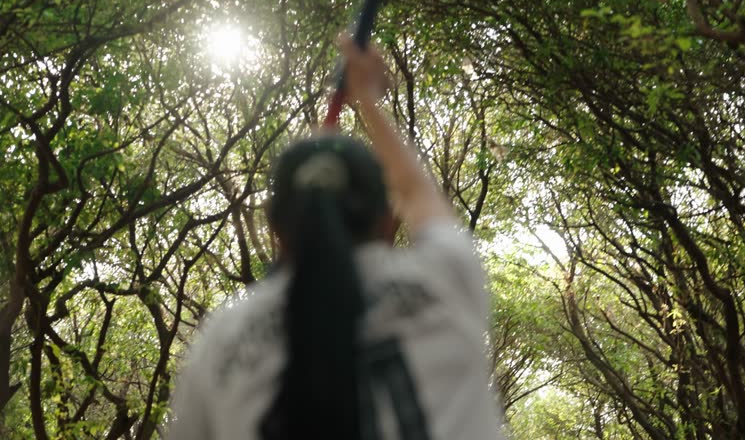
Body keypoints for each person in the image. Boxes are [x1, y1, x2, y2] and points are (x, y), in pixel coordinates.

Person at [165, 35, 505, 439]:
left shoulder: (220, 347)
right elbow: (416, 194)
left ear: (275, 226)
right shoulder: (444, 281)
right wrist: (369, 100)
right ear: (385, 219)